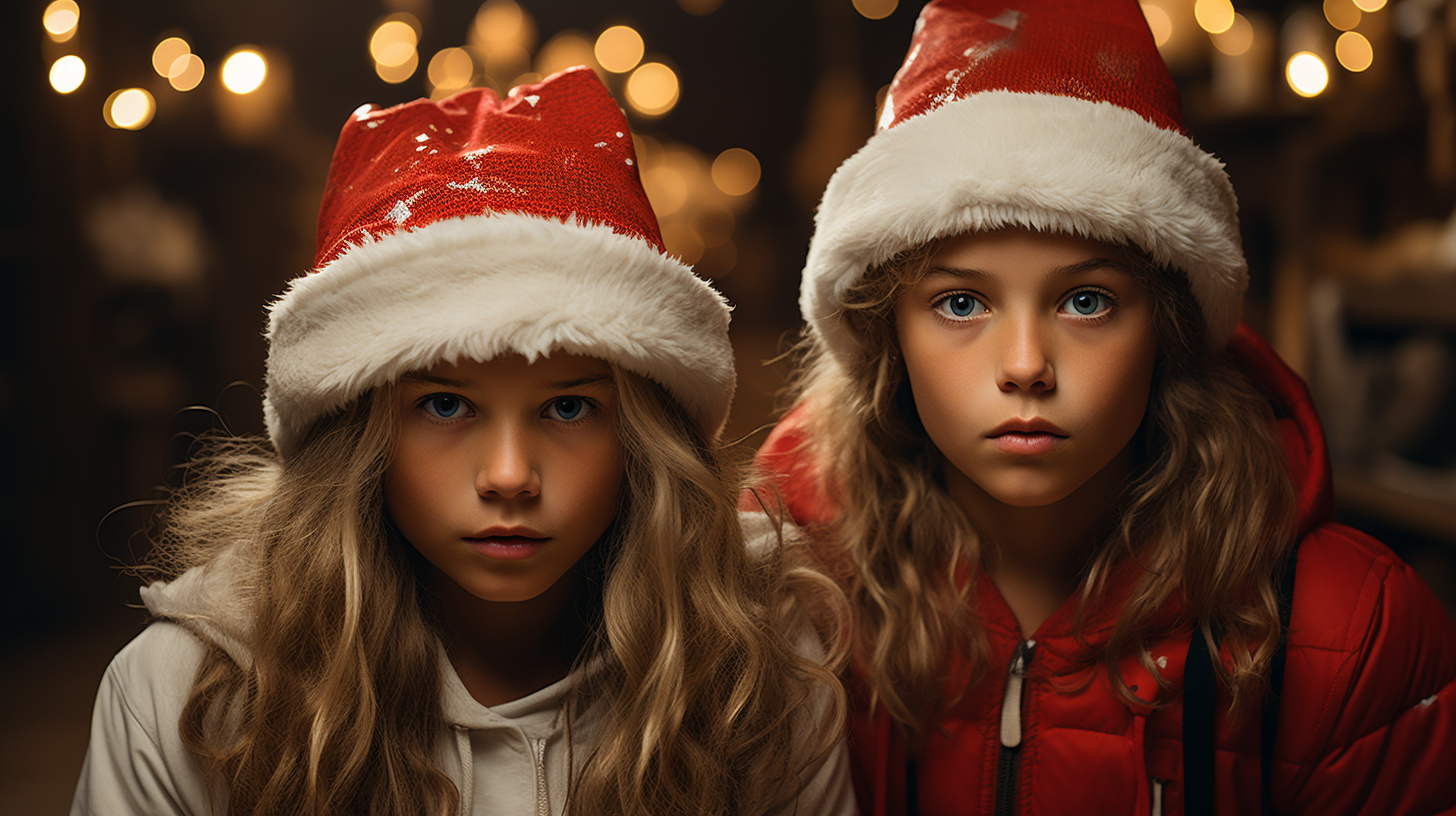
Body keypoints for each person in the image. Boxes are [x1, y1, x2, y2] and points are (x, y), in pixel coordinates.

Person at [71, 67, 854, 816]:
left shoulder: (758, 669)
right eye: (445, 405)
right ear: (358, 427)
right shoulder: (189, 696)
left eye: (569, 409)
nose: (510, 475)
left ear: (642, 434)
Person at [749, 2, 1456, 814]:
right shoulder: (778, 608)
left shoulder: (1352, 632)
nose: (1025, 366)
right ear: (886, 336)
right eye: (960, 304)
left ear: (1170, 323)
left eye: (1086, 301)